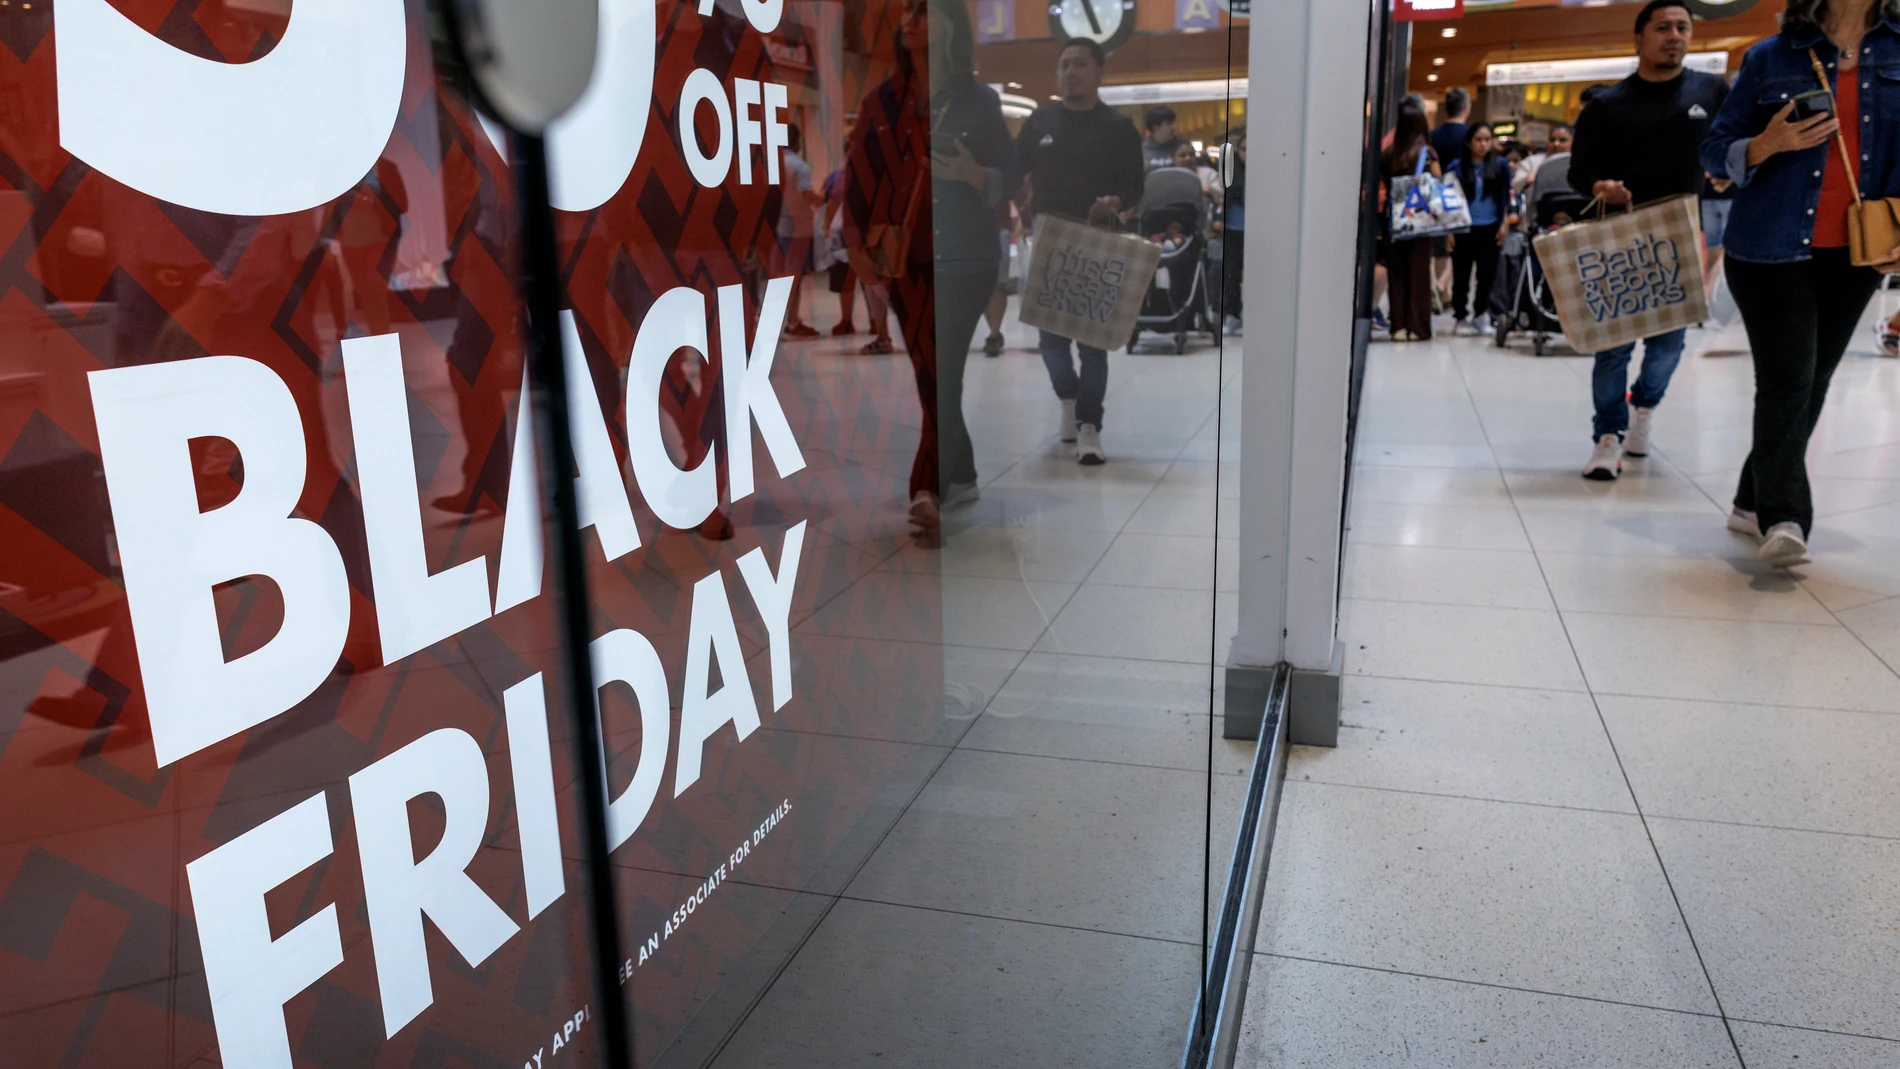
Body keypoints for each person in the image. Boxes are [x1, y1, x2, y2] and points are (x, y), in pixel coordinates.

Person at [1701, 0, 1900, 565]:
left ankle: (1747, 501)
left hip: (1859, 250)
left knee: (1811, 382)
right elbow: (1715, 149)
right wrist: (1767, 145)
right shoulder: (1769, 58)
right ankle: (1785, 517)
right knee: (1789, 378)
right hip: (1768, 247)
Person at [845, 0, 1017, 537]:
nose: (910, 18)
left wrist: (974, 174)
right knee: (934, 373)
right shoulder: (880, 103)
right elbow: (857, 180)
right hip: (905, 260)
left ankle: (927, 488)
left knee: (939, 370)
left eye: (925, 10)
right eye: (907, 11)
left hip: (966, 260)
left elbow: (1009, 177)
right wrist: (856, 250)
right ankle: (959, 473)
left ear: (950, 26)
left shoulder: (980, 101)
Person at [1569, 0, 1728, 480]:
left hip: (1679, 233)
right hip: (1620, 235)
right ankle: (1607, 434)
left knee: (1668, 345)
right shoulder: (1607, 105)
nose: (1674, 35)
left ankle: (1645, 408)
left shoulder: (1711, 91)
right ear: (1639, 38)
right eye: (1663, 27)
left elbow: (1728, 146)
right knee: (1612, 347)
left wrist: (1725, 173)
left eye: (1683, 27)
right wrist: (1600, 187)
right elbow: (1580, 172)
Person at [1016, 39, 1144, 466]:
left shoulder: (1118, 127)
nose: (1070, 72)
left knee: (1093, 342)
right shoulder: (1040, 122)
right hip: (1051, 239)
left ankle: (1090, 426)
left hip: (1098, 241)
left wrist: (1115, 202)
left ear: (1098, 71)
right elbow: (1017, 169)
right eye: (1064, 65)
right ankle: (1067, 400)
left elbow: (1134, 186)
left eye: (1079, 64)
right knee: (1050, 335)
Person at [1380, 102, 1439, 341]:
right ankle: (1418, 327)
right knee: (1419, 272)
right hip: (1420, 221)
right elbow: (1436, 183)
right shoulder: (1428, 154)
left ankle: (1399, 325)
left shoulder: (1389, 155)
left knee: (1397, 273)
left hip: (1394, 219)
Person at [1447, 122, 1511, 333]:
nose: (1483, 144)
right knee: (1461, 274)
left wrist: (1504, 224)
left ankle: (1480, 314)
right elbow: (1449, 200)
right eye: (1478, 140)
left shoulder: (1500, 166)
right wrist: (1449, 230)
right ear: (1469, 142)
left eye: (1487, 139)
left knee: (1487, 274)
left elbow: (1505, 197)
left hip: (1490, 227)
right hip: (1463, 227)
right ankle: (1460, 316)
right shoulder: (1456, 167)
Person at [777, 125, 825, 339]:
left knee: (779, 276)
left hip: (775, 226)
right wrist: (826, 199)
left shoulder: (771, 164)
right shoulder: (798, 166)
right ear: (796, 141)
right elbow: (807, 196)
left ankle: (783, 321)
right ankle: (793, 322)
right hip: (796, 228)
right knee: (793, 277)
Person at [1429, 88, 1472, 310]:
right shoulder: (1470, 135)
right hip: (1465, 195)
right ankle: (1441, 285)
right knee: (1460, 245)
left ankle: (1443, 292)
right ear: (1466, 108)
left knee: (1441, 247)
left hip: (1437, 195)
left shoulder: (1433, 135)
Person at [1221, 131, 1246, 335]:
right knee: (1232, 273)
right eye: (1245, 149)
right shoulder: (1231, 169)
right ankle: (1233, 314)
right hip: (1234, 227)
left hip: (1260, 230)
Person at [1141, 105, 1188, 172]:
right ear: (1156, 127)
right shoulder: (1142, 149)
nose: (1173, 127)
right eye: (1169, 124)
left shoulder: (1183, 146)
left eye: (1173, 123)